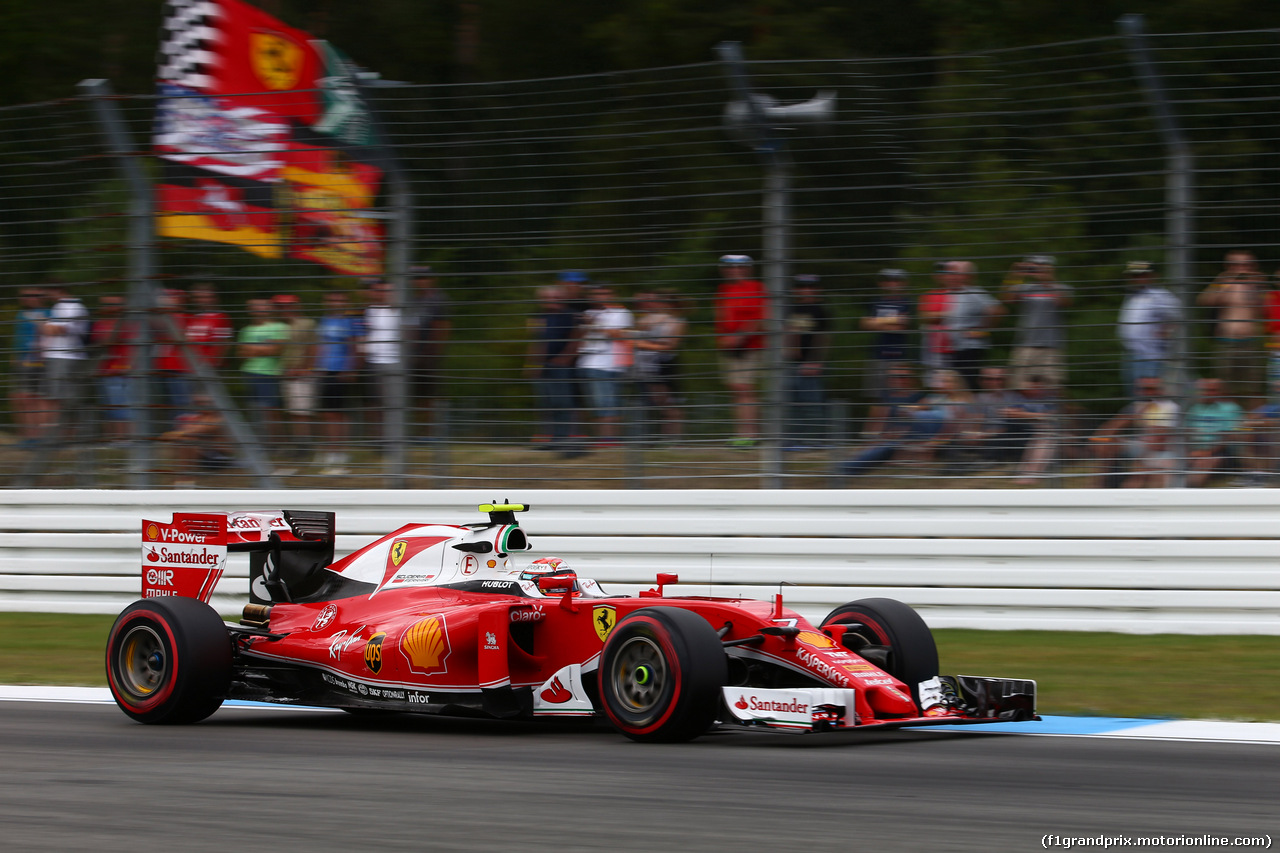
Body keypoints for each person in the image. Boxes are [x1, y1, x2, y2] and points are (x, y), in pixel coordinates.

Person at [1198, 250, 1266, 403]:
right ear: (1228, 266)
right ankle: (1230, 424)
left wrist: (1255, 284)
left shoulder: (1257, 283)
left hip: (1250, 344)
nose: (1241, 268)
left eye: (1246, 264)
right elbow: (1203, 300)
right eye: (1235, 264)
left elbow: (1265, 307)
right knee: (1225, 388)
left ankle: (1253, 424)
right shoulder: (1222, 281)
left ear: (1253, 266)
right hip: (1226, 343)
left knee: (1253, 389)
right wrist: (1225, 284)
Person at [714, 254, 768, 447]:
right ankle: (741, 433)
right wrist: (723, 340)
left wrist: (738, 337)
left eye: (739, 267)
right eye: (729, 267)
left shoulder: (757, 288)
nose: (734, 271)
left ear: (747, 269)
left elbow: (761, 317)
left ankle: (750, 434)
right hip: (729, 346)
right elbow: (721, 318)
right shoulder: (723, 290)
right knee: (736, 390)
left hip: (749, 346)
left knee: (745, 388)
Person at [1091, 375, 1180, 488]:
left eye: (1151, 388)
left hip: (1162, 450)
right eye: (1143, 389)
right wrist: (1098, 440)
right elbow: (1111, 427)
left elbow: (1160, 441)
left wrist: (1140, 460)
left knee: (1141, 474)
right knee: (1108, 443)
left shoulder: (1169, 408)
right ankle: (1098, 486)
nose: (1146, 392)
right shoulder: (1137, 406)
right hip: (1141, 446)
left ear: (1160, 390)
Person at [1002, 255, 1072, 389]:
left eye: (1042, 266)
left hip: (1051, 346)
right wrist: (1015, 275)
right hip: (1025, 345)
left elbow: (1065, 302)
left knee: (1052, 387)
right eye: (1034, 266)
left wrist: (1048, 281)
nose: (1037, 270)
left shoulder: (1061, 288)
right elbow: (1007, 298)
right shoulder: (1025, 288)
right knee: (1018, 384)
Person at [576, 284, 633, 445]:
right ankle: (605, 439)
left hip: (608, 364)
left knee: (607, 403)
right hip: (586, 362)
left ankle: (609, 439)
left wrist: (595, 325)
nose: (601, 296)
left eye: (605, 293)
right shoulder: (587, 313)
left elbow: (618, 334)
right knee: (595, 404)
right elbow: (579, 336)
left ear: (613, 295)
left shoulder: (621, 313)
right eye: (597, 293)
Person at [525, 283, 579, 453]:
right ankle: (549, 439)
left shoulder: (570, 316)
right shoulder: (537, 317)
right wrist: (531, 363)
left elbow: (576, 338)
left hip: (561, 366)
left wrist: (564, 359)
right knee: (545, 403)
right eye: (547, 297)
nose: (551, 301)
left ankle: (562, 439)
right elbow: (534, 341)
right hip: (541, 366)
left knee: (561, 403)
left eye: (555, 297)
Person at [314, 290, 362, 476]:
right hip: (324, 370)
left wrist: (350, 369)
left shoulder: (349, 321)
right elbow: (320, 345)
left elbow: (353, 347)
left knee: (338, 414)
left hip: (340, 371)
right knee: (327, 413)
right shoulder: (324, 320)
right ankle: (330, 448)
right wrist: (316, 366)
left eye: (339, 300)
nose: (336, 303)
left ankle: (340, 451)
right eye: (332, 299)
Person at [1118, 261, 1182, 399]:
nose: (1136, 279)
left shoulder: (1159, 295)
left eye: (1140, 275)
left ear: (1151, 276)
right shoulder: (1132, 296)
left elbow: (1177, 317)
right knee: (1135, 395)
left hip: (1151, 354)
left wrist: (1165, 332)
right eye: (1133, 276)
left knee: (1149, 394)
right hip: (1132, 354)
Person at [40, 281, 90, 448]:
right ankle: (57, 438)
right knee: (55, 397)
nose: (46, 296)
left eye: (48, 291)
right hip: (57, 356)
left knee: (67, 399)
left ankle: (67, 438)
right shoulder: (59, 307)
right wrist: (48, 327)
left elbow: (61, 330)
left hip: (67, 357)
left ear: (57, 290)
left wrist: (46, 326)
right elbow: (51, 329)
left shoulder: (74, 307)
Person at [631, 289, 686, 440]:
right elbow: (635, 332)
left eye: (661, 301)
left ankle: (674, 440)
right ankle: (663, 439)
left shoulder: (678, 322)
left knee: (668, 403)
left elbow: (671, 344)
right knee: (657, 403)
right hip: (648, 366)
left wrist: (645, 343)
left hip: (665, 365)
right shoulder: (648, 318)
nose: (657, 304)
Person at [783, 274, 829, 449]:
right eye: (802, 287)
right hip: (790, 363)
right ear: (796, 290)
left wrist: (816, 361)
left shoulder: (820, 310)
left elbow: (823, 338)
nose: (807, 291)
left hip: (810, 363)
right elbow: (786, 333)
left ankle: (814, 439)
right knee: (791, 401)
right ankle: (793, 438)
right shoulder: (789, 309)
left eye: (811, 287)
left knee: (812, 402)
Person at [943, 260, 1004, 390]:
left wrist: (983, 330)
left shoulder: (974, 292)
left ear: (968, 276)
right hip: (957, 349)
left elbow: (998, 310)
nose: (952, 277)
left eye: (956, 273)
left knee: (966, 386)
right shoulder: (954, 293)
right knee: (958, 386)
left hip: (970, 349)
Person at [406, 265, 451, 438]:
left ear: (432, 279)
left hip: (430, 357)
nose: (420, 281)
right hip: (413, 356)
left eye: (423, 278)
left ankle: (432, 433)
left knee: (431, 396)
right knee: (417, 397)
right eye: (417, 278)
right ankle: (421, 433)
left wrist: (434, 354)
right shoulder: (412, 300)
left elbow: (443, 328)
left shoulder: (439, 299)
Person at [238, 297, 288, 453]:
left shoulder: (280, 326)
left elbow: (277, 350)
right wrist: (264, 347)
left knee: (270, 411)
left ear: (270, 308)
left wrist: (253, 349)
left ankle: (277, 444)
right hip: (249, 373)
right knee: (254, 410)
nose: (258, 309)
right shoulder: (246, 330)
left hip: (269, 374)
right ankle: (260, 444)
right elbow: (241, 354)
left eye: (261, 306)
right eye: (254, 306)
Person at [860, 268, 912, 403]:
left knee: (898, 396)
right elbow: (864, 324)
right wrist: (892, 320)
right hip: (877, 355)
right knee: (875, 398)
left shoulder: (907, 302)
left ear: (903, 283)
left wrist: (876, 321)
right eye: (888, 280)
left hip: (898, 356)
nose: (892, 283)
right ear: (881, 283)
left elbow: (902, 326)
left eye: (896, 280)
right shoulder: (875, 302)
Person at [275, 293, 317, 463]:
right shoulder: (282, 326)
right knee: (293, 412)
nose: (285, 309)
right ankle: (299, 446)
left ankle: (305, 447)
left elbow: (313, 348)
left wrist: (304, 369)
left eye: (287, 305)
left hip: (300, 375)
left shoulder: (307, 323)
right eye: (281, 306)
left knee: (302, 413)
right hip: (286, 374)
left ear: (296, 306)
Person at [361, 278, 402, 445]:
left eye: (387, 291)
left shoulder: (399, 311)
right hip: (372, 362)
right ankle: (378, 440)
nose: (383, 294)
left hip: (393, 362)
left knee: (391, 405)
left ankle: (393, 440)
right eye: (379, 290)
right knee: (373, 404)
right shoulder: (369, 311)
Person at [159, 394, 231, 487]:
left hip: (218, 457)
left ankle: (186, 479)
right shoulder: (197, 418)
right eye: (197, 402)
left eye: (204, 403)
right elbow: (183, 432)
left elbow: (199, 430)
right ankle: (184, 478)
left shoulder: (218, 419)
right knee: (185, 440)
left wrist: (176, 434)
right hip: (203, 455)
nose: (201, 405)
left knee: (188, 439)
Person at [90, 294, 134, 442]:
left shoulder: (130, 323)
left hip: (123, 371)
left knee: (123, 408)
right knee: (108, 408)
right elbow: (103, 341)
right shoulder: (100, 324)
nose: (108, 308)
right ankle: (112, 440)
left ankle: (125, 439)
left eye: (112, 304)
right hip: (105, 371)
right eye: (106, 304)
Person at [1184, 376, 1243, 488]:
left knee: (1203, 463)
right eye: (1204, 390)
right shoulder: (1194, 409)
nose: (1208, 393)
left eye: (1212, 390)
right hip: (1196, 450)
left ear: (1220, 392)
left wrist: (1208, 452)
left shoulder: (1230, 409)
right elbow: (1187, 434)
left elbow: (1228, 437)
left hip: (1222, 452)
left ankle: (1190, 492)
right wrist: (1190, 451)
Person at [11, 286, 49, 444]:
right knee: (22, 399)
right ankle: (28, 436)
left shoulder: (48, 314)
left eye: (33, 295)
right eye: (25, 295)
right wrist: (15, 356)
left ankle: (38, 436)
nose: (28, 298)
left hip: (40, 362)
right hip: (23, 361)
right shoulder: (20, 315)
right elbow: (18, 339)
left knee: (38, 399)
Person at [186, 283, 234, 372]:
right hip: (191, 367)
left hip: (208, 369)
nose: (202, 300)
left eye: (206, 297)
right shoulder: (194, 317)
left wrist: (211, 367)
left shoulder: (221, 317)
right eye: (198, 297)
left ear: (214, 298)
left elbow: (223, 344)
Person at [917, 264, 951, 374]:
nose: (942, 276)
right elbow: (923, 317)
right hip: (932, 349)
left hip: (954, 348)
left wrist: (934, 315)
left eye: (945, 273)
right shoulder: (927, 295)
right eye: (939, 273)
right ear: (934, 276)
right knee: (933, 382)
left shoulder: (958, 294)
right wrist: (948, 314)